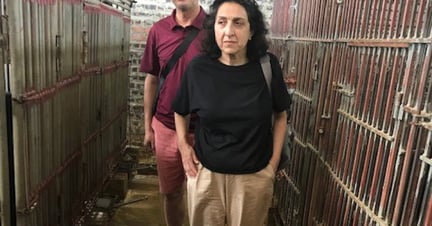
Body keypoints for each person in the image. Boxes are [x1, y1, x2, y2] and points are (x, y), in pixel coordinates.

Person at [172, 0, 291, 225]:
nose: (229, 32)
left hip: (253, 179)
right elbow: (180, 110)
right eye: (222, 22)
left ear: (251, 30)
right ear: (213, 27)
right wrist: (183, 146)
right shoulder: (199, 69)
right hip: (206, 178)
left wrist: (272, 166)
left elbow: (281, 115)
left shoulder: (267, 66)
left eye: (238, 23)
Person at [139, 0, 206, 225]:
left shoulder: (215, 28)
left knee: (205, 196)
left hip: (205, 130)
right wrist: (148, 126)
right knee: (171, 193)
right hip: (165, 127)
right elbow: (151, 80)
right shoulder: (158, 30)